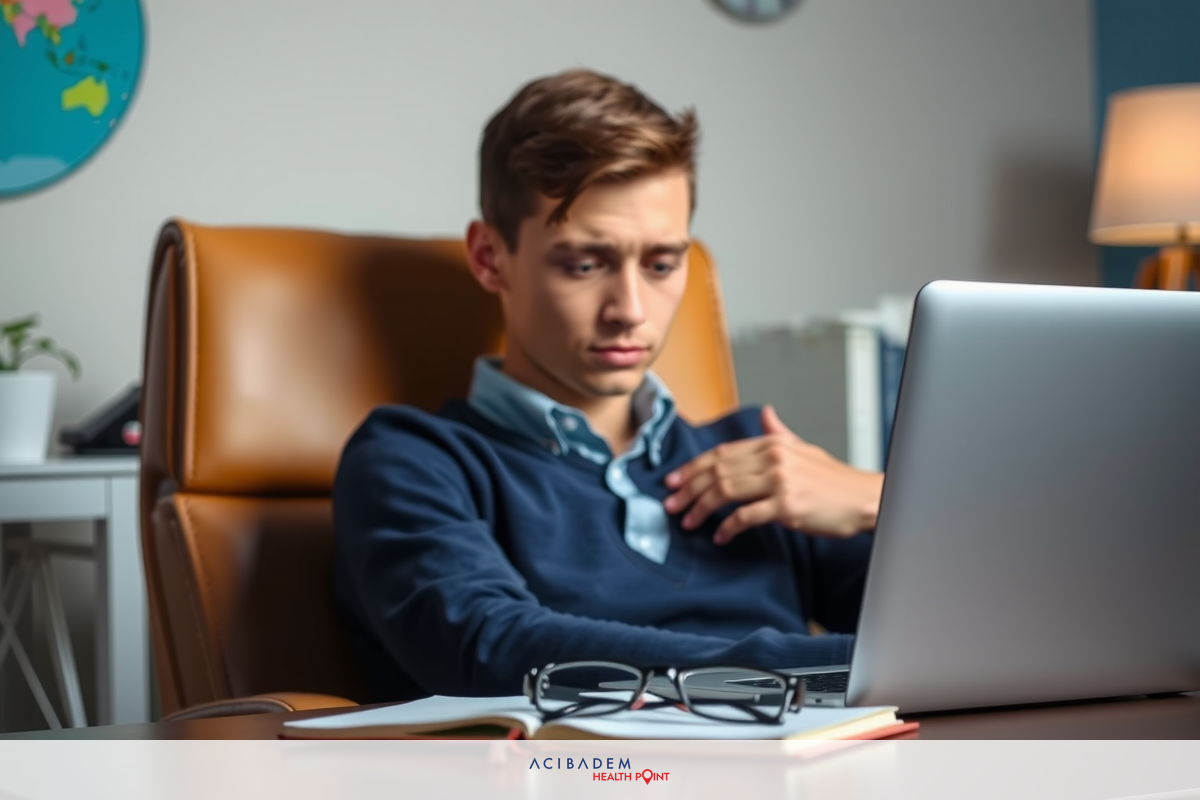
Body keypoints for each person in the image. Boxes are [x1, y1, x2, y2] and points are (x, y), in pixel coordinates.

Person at [332, 69, 883, 703]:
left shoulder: (761, 458)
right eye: (585, 264)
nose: (630, 308)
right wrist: (822, 674)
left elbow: (969, 636)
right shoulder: (413, 459)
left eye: (660, 264)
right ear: (489, 257)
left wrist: (879, 498)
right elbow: (493, 647)